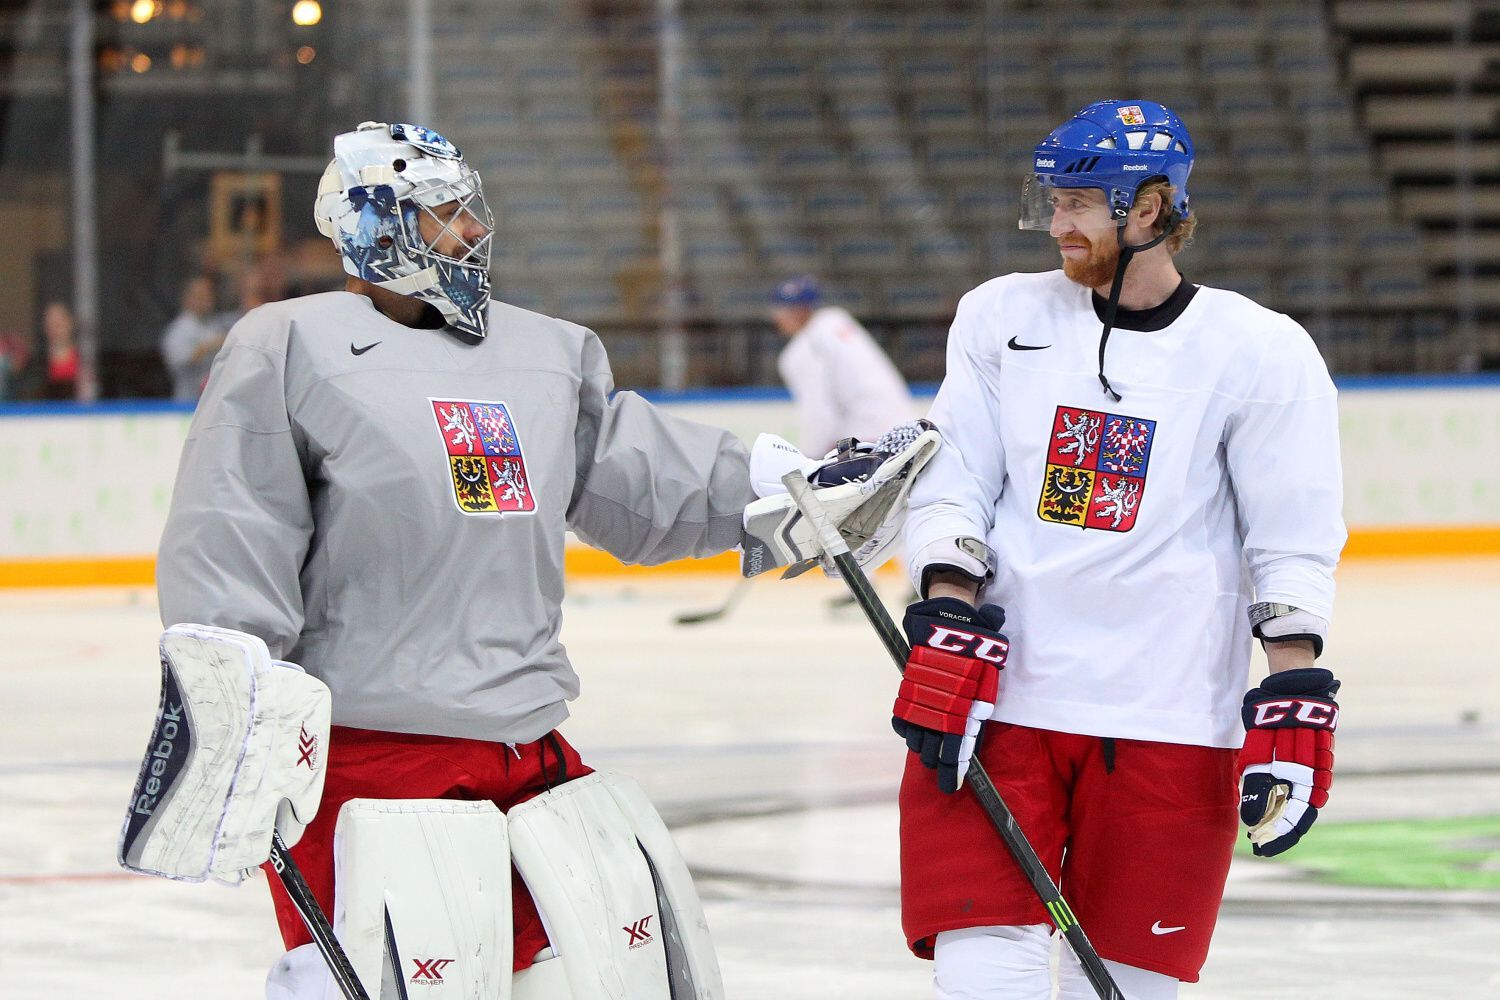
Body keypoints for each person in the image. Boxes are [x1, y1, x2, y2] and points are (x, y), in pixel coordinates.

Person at [149, 121, 908, 998]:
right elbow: (235, 521)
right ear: (375, 225)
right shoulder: (288, 346)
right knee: (369, 975)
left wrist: (786, 485)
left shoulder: (541, 351)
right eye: (443, 215)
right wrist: (232, 693)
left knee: (592, 977)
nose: (471, 232)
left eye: (470, 212)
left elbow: (634, 465)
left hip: (526, 748)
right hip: (369, 758)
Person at [891, 100, 1345, 999]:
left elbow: (1290, 535)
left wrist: (1293, 690)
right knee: (982, 977)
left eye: (1080, 204)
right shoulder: (998, 317)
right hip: (1003, 705)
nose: (1058, 223)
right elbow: (955, 481)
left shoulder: (1260, 351)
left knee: (1135, 987)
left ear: (1148, 210)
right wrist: (946, 610)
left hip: (1169, 719)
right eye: (1051, 203)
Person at [771, 275, 914, 457]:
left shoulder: (804, 349)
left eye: (782, 310)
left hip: (868, 443)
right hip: (904, 434)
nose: (777, 317)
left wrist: (807, 461)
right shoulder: (836, 321)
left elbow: (820, 416)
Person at [160, 274, 227, 401]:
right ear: (187, 298)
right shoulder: (178, 329)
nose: (206, 300)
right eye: (200, 295)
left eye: (209, 295)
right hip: (188, 400)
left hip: (214, 399)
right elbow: (180, 360)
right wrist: (210, 346)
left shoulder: (215, 325)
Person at [39, 301, 79, 400]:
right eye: (50, 324)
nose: (55, 329)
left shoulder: (86, 362)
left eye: (59, 323)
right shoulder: (36, 366)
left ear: (70, 323)